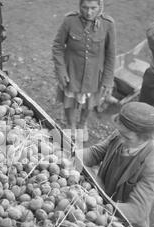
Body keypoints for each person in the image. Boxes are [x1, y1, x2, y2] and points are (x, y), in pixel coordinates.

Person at [75, 102, 154, 227]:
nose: (120, 138)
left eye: (127, 137)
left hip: (124, 224)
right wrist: (69, 157)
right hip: (103, 197)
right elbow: (95, 153)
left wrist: (97, 205)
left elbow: (136, 210)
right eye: (119, 131)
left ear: (145, 138)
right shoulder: (121, 134)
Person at [52, 0, 116, 141]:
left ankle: (82, 124)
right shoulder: (69, 21)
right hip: (72, 72)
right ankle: (71, 125)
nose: (89, 12)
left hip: (94, 75)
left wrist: (108, 79)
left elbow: (111, 54)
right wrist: (61, 71)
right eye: (85, 7)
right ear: (79, 6)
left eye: (93, 8)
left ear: (100, 6)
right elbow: (57, 46)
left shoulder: (108, 24)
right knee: (69, 100)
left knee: (90, 102)